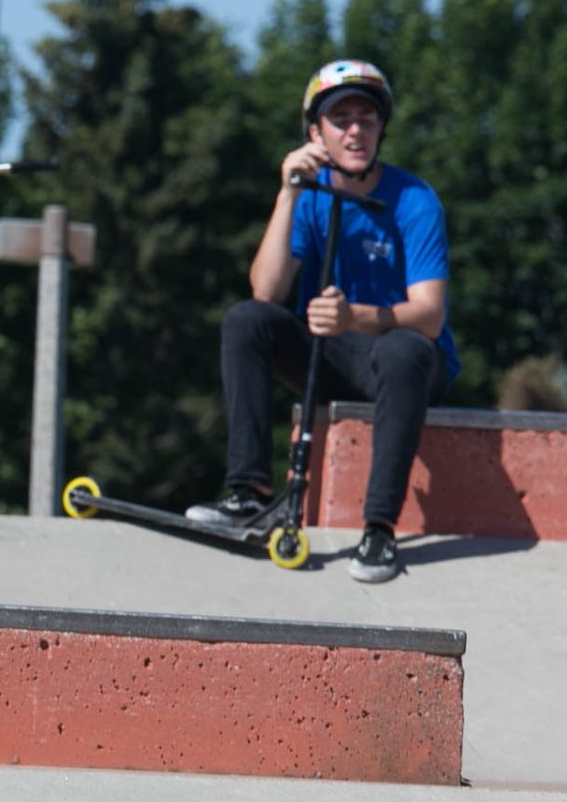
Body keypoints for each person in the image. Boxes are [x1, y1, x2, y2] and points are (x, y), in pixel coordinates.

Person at [193, 58, 456, 585]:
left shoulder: (414, 200)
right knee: (247, 321)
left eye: (367, 118)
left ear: (382, 127)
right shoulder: (308, 200)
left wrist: (354, 316)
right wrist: (289, 192)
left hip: (403, 362)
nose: (355, 130)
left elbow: (429, 316)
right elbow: (267, 290)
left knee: (404, 349)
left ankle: (379, 528)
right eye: (341, 120)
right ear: (316, 132)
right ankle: (250, 494)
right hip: (331, 356)